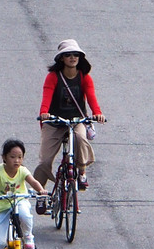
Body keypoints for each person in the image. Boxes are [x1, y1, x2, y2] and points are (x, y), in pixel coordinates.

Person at [32, 38, 106, 192]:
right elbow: (46, 98)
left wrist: (97, 113)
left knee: (80, 138)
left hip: (76, 121)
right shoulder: (53, 77)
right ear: (62, 58)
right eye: (68, 55)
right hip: (54, 122)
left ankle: (82, 172)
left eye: (76, 55)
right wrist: (44, 114)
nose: (72, 58)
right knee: (44, 160)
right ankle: (40, 192)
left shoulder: (84, 77)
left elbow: (92, 98)